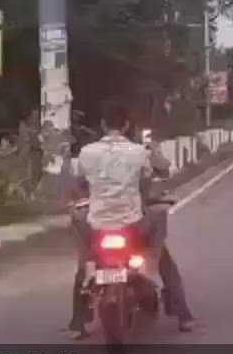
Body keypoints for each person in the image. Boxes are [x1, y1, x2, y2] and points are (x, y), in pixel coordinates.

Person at [66, 100, 198, 336]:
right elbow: (161, 172)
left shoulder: (87, 153)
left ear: (103, 125)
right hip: (132, 223)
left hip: (98, 223)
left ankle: (77, 321)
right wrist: (154, 150)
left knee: (85, 257)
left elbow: (79, 185)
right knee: (160, 221)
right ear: (126, 125)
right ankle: (182, 313)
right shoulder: (138, 152)